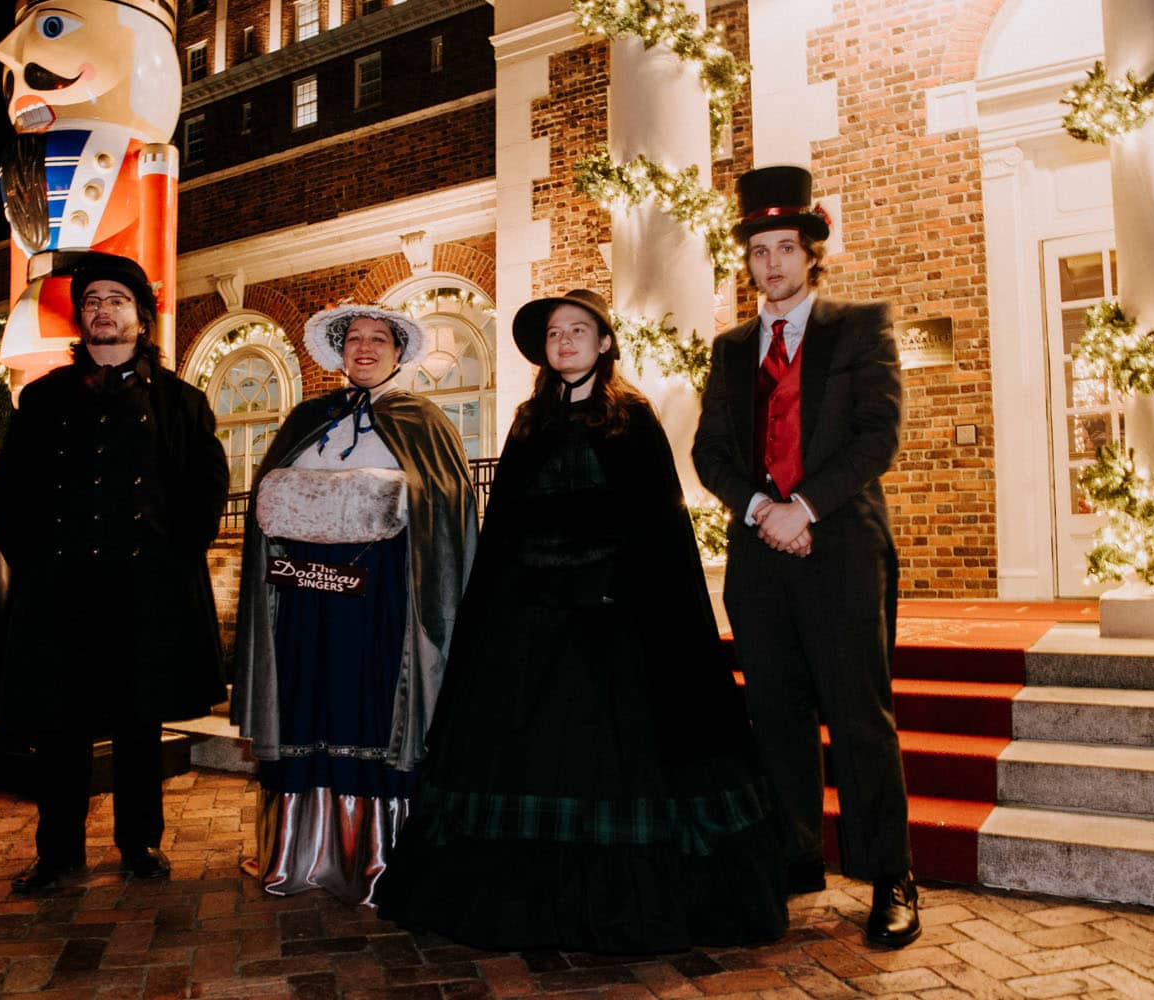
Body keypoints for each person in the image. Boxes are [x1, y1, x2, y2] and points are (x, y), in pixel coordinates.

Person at [377, 289, 788, 953]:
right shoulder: (527, 422)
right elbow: (505, 521)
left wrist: (619, 583)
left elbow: (657, 525)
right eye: (554, 333)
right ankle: (531, 900)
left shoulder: (632, 419)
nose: (564, 341)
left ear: (604, 343)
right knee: (528, 750)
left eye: (578, 330)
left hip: (614, 618)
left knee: (609, 753)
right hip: (528, 619)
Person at [691, 165, 919, 948]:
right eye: (760, 251)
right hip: (760, 557)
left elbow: (878, 436)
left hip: (841, 546)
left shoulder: (858, 328)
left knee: (859, 714)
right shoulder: (729, 350)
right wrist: (762, 511)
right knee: (777, 715)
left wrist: (804, 507)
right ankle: (794, 860)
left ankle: (891, 875)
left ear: (811, 253)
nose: (772, 263)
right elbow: (710, 452)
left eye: (786, 247)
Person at [0, 251, 230, 892]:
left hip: (145, 594)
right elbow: (9, 494)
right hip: (61, 595)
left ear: (140, 318)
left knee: (138, 725)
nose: (103, 310)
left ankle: (139, 844)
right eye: (92, 302)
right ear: (81, 318)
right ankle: (58, 853)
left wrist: (174, 562)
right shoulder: (42, 399)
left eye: (116, 301)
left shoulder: (181, 403)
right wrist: (33, 565)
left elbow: (206, 491)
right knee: (60, 727)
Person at [230, 303, 477, 905]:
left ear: (398, 352)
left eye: (378, 339)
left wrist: (390, 500)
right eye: (354, 340)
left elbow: (446, 503)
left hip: (381, 603)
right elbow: (267, 503)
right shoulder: (307, 418)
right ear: (340, 352)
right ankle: (298, 852)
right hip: (303, 601)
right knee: (306, 702)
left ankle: (379, 857)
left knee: (371, 706)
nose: (364, 348)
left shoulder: (423, 421)